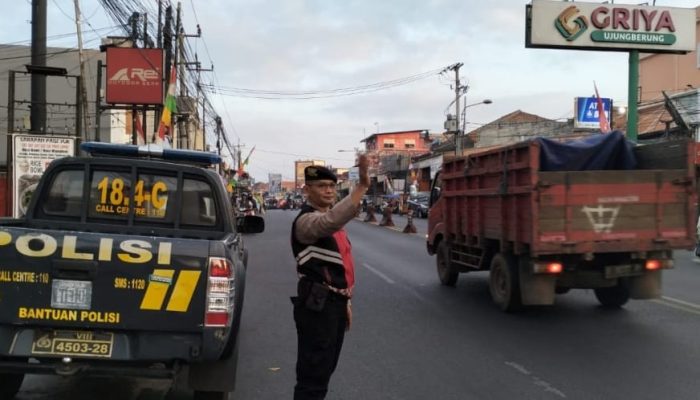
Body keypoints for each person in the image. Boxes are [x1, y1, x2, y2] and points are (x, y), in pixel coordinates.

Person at [290, 155, 369, 400]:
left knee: (324, 371)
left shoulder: (330, 221)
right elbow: (330, 221)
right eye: (322, 186)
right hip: (317, 305)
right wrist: (362, 186)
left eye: (332, 186)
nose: (328, 190)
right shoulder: (306, 221)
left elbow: (338, 266)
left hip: (331, 304)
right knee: (313, 376)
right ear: (307, 190)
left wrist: (345, 300)